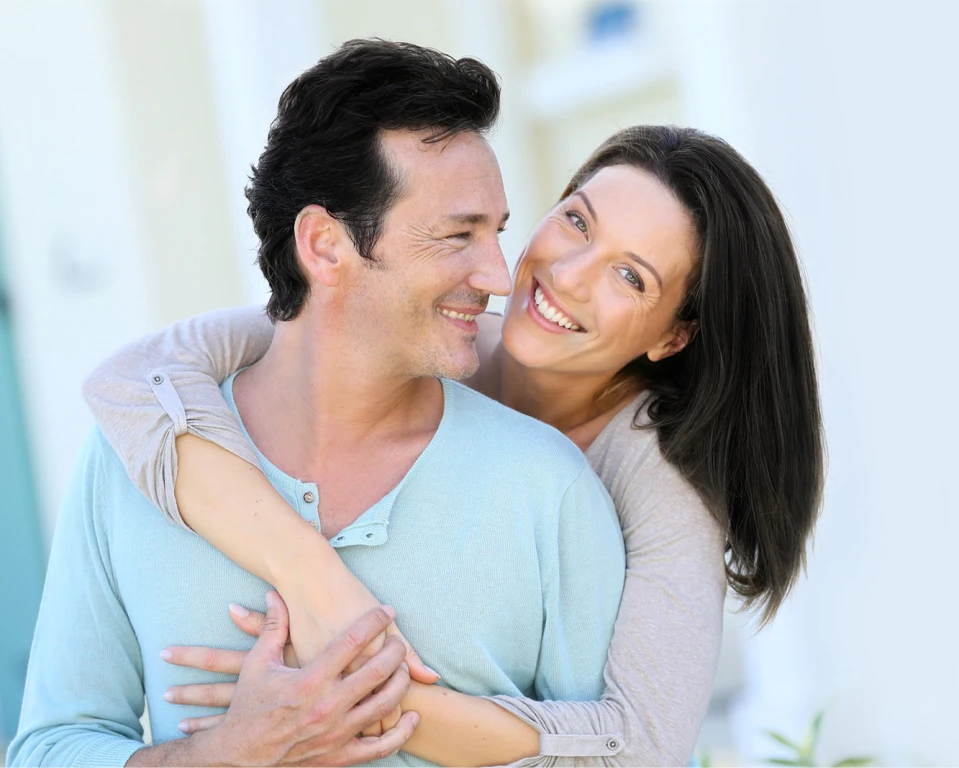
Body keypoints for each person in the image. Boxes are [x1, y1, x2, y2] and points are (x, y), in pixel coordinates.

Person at [73, 122, 824, 767]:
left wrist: (340, 687)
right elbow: (133, 381)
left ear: (673, 336)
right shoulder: (428, 338)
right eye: (576, 222)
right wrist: (312, 578)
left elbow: (640, 748)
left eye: (629, 276)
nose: (567, 276)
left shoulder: (656, 486)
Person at [8, 40, 628, 768]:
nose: (496, 275)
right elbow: (47, 747)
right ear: (325, 245)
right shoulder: (134, 465)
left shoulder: (547, 488)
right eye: (457, 235)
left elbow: (621, 754)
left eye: (495, 233)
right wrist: (230, 754)